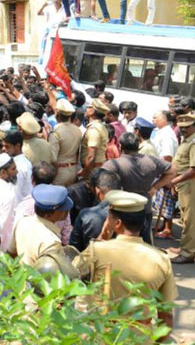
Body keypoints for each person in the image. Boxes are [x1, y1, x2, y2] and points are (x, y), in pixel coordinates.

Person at [75, 190, 177, 337]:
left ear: (117, 223)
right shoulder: (161, 258)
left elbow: (72, 273)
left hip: (101, 336)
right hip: (140, 337)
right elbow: (166, 315)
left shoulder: (96, 251)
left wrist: (103, 235)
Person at [102, 132, 176, 244]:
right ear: (138, 146)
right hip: (144, 208)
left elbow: (102, 182)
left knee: (121, 242)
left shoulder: (113, 164)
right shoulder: (151, 160)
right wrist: (155, 187)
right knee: (145, 242)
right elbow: (173, 170)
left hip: (122, 209)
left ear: (120, 146)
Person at [7, 184, 72, 266]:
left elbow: (11, 252)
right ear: (48, 215)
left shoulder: (22, 222)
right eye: (62, 209)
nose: (67, 211)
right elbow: (54, 274)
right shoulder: (51, 242)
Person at [69, 169, 121, 252]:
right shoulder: (134, 213)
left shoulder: (85, 215)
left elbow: (74, 248)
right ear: (121, 189)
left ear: (98, 191)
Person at [170, 113, 195, 264]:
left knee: (190, 220)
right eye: (181, 127)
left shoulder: (193, 143)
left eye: (187, 127)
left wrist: (174, 180)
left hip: (190, 184)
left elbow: (193, 169)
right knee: (185, 218)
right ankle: (186, 247)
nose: (183, 130)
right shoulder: (187, 140)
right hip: (183, 184)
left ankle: (188, 253)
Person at [49, 98, 82, 186]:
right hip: (73, 170)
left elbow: (53, 158)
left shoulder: (56, 132)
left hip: (59, 173)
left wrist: (52, 177)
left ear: (57, 114)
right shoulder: (77, 130)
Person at [79, 99, 109, 179]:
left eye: (89, 107)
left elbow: (91, 157)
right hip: (94, 168)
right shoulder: (101, 127)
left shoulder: (94, 130)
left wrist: (84, 173)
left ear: (92, 111)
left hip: (91, 169)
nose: (86, 109)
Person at [2, 131, 33, 201]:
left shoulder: (18, 166)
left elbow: (16, 193)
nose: (3, 149)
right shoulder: (22, 161)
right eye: (3, 146)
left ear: (17, 146)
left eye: (7, 146)